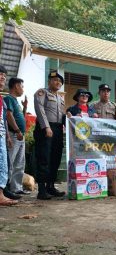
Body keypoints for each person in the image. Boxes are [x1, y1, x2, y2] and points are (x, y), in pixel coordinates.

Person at [34, 71, 66, 200]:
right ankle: (41, 190)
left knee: (55, 158)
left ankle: (50, 186)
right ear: (49, 81)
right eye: (55, 80)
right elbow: (39, 108)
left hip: (58, 129)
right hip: (45, 128)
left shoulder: (60, 98)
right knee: (44, 158)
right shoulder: (42, 93)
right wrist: (46, 126)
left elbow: (62, 115)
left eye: (60, 81)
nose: (57, 83)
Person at [4, 77, 28, 198]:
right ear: (16, 86)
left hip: (20, 136)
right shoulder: (8, 99)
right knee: (10, 162)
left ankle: (16, 188)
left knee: (20, 163)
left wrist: (25, 107)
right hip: (14, 135)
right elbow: (8, 115)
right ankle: (6, 188)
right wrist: (17, 130)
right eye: (22, 86)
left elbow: (21, 118)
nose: (23, 89)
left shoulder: (16, 101)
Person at [0, 65, 17, 205]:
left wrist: (6, 135)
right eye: (0, 75)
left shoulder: (1, 99)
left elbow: (3, 119)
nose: (2, 78)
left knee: (3, 164)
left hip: (1, 135)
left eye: (4, 76)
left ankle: (0, 194)